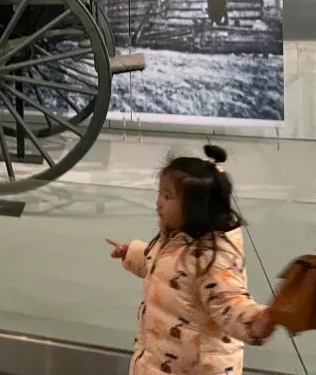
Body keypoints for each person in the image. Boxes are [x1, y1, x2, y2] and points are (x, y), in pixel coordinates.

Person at [106, 145, 276, 375]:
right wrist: (131, 252)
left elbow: (231, 301)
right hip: (160, 360)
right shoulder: (177, 238)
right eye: (160, 193)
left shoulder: (213, 258)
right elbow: (164, 267)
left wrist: (259, 321)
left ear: (196, 207)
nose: (159, 202)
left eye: (167, 197)